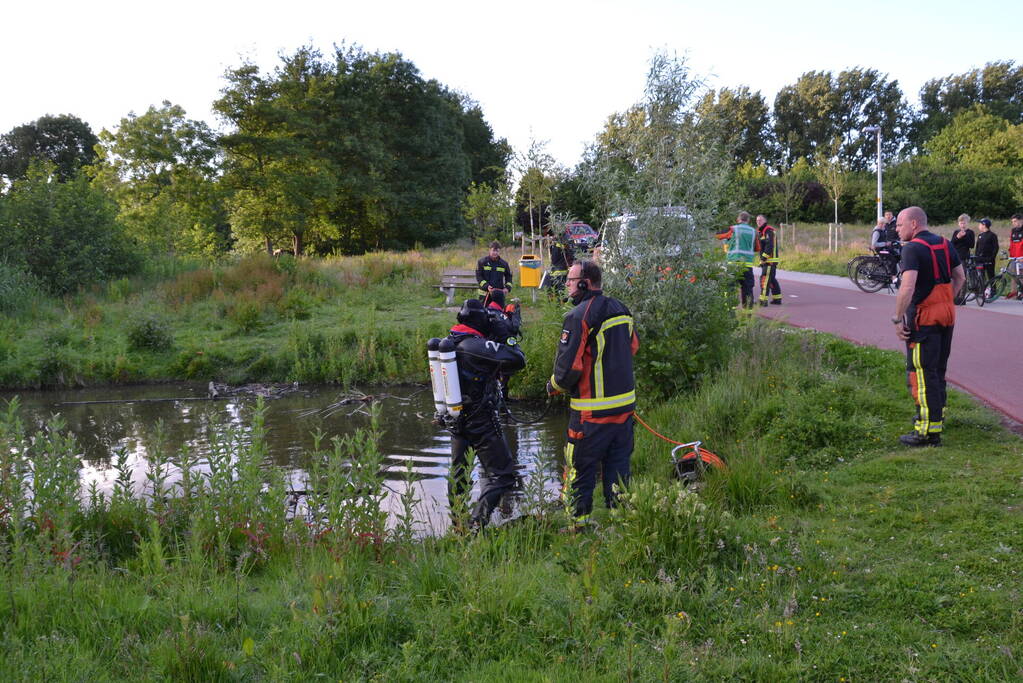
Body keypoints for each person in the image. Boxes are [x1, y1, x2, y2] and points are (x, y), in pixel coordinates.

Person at [546, 260, 639, 527]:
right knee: (618, 470)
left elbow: (568, 370)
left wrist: (553, 386)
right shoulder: (621, 309)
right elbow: (633, 347)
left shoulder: (578, 316)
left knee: (579, 471)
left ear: (585, 283)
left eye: (571, 280)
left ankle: (578, 527)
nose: (567, 284)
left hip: (590, 414)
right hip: (624, 411)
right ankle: (620, 524)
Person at [444, 298, 526, 529]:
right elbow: (517, 359)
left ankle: (458, 525)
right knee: (503, 475)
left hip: (457, 419)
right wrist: (505, 335)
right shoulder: (475, 346)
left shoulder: (452, 340)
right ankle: (476, 524)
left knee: (459, 473)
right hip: (481, 420)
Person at [891, 206, 965, 447]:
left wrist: (897, 318)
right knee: (938, 371)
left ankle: (926, 432)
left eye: (899, 224)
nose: (897, 229)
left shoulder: (912, 248)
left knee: (921, 374)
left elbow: (908, 286)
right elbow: (960, 277)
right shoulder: (945, 243)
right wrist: (946, 300)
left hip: (924, 320)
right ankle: (937, 419)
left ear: (913, 224)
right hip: (947, 316)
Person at [715, 211, 759, 308]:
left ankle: (729, 310)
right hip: (747, 265)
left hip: (733, 263)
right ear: (748, 220)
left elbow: (718, 236)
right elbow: (757, 248)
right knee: (747, 289)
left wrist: (728, 240)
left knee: (730, 288)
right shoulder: (754, 231)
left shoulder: (733, 229)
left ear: (738, 219)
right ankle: (748, 313)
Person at [476, 241, 513, 308]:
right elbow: (479, 277)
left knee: (499, 312)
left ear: (499, 251)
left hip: (498, 294)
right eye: (493, 250)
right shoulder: (482, 262)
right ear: (489, 250)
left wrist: (507, 288)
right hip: (485, 293)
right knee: (483, 312)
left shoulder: (504, 264)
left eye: (497, 251)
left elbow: (509, 276)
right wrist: (486, 286)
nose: (495, 253)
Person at [756, 214, 782, 306]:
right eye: (757, 220)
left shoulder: (768, 231)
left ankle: (763, 301)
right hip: (768, 261)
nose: (758, 222)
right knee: (771, 280)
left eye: (760, 220)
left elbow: (769, 246)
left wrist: (763, 258)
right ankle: (777, 299)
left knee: (765, 279)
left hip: (769, 261)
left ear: (765, 221)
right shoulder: (761, 231)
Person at [545, 227, 574, 294]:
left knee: (558, 292)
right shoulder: (566, 241)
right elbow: (571, 255)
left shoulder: (558, 245)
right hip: (563, 270)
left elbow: (554, 259)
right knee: (561, 291)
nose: (552, 237)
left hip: (558, 272)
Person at [1008, 213, 1023, 299]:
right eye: (1012, 221)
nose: (1013, 223)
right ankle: (1014, 292)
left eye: (1015, 221)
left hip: (1022, 257)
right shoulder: (1013, 230)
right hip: (1014, 257)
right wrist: (1011, 255)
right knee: (1013, 274)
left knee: (1021, 275)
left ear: (1021, 220)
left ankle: (1021, 292)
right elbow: (1011, 243)